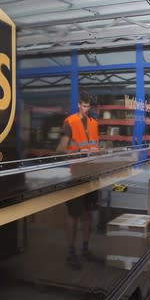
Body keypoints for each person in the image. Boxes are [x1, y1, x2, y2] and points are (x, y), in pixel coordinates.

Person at [56, 91, 99, 269]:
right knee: (74, 215)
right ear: (78, 105)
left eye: (88, 106)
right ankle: (71, 252)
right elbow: (60, 149)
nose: (86, 109)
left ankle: (85, 249)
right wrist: (77, 153)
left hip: (91, 174)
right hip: (75, 175)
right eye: (83, 105)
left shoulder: (94, 123)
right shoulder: (70, 122)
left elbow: (95, 146)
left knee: (87, 214)